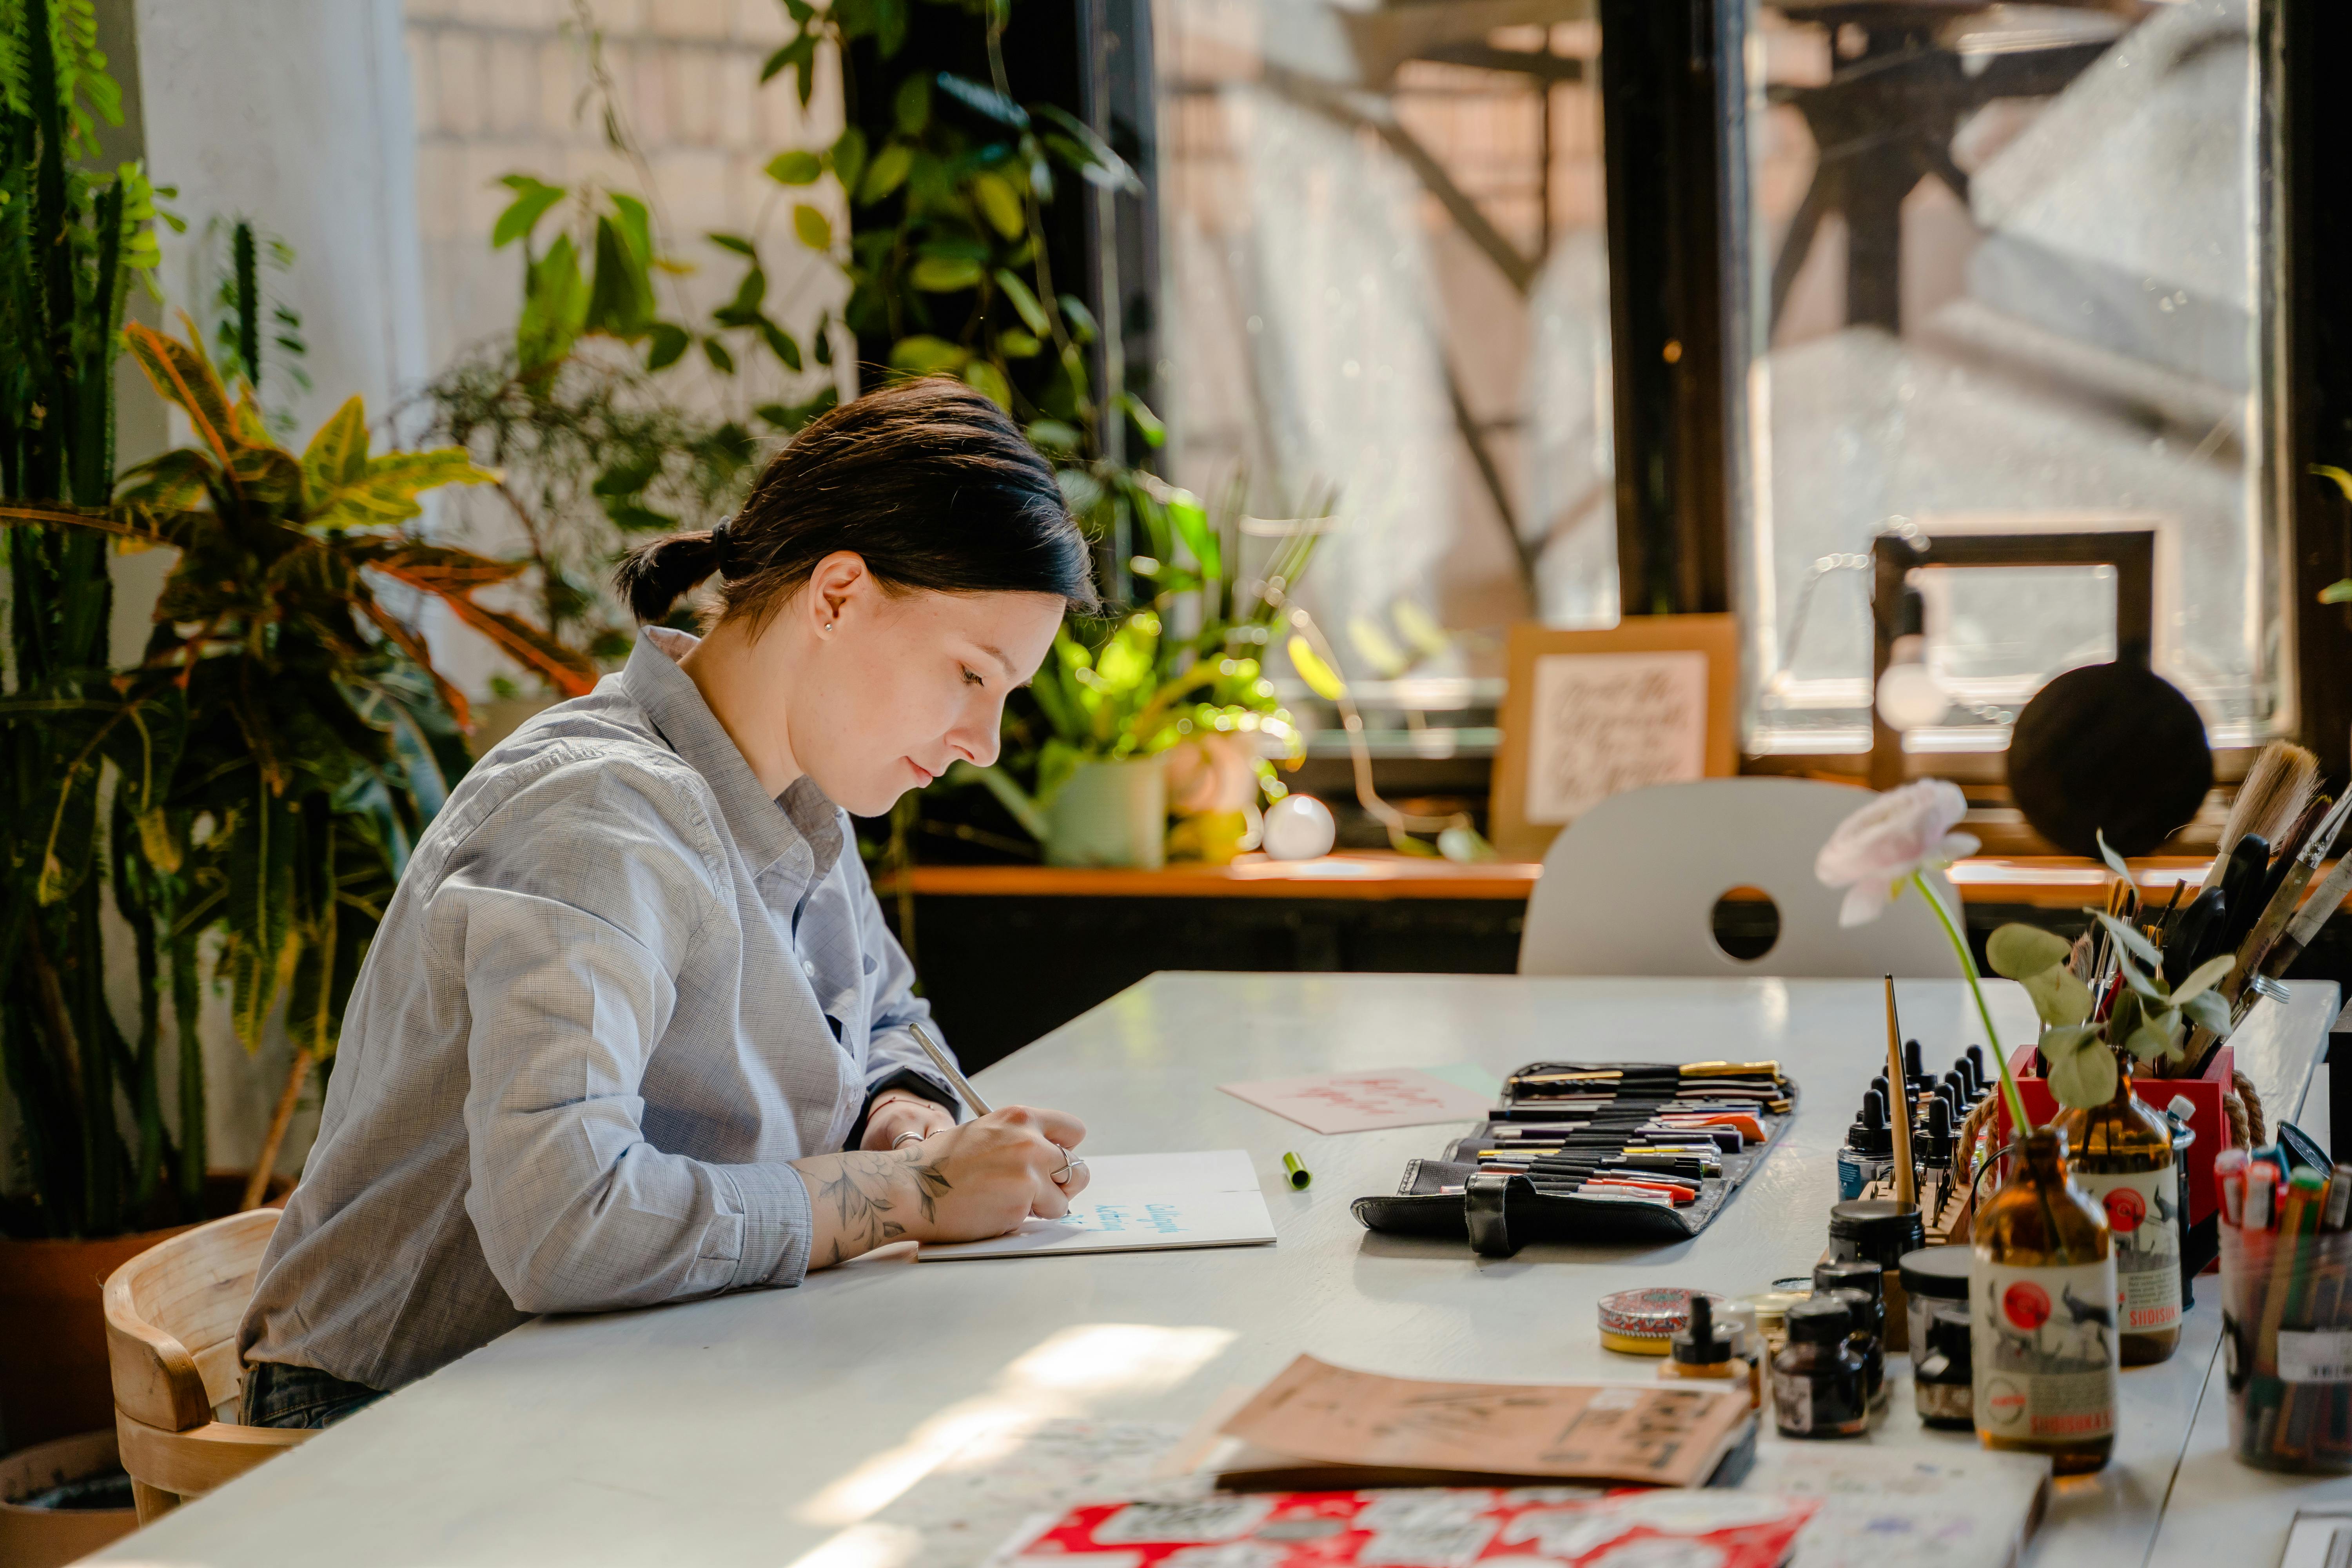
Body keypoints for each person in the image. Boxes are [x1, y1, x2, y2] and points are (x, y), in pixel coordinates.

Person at [236, 379, 1098, 1429]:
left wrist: (898, 1114)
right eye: (969, 675)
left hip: (617, 1374)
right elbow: (565, 1220)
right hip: (388, 1417)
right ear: (837, 596)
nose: (984, 744)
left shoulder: (800, 792)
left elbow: (885, 1014)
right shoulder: (598, 819)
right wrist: (912, 1196)